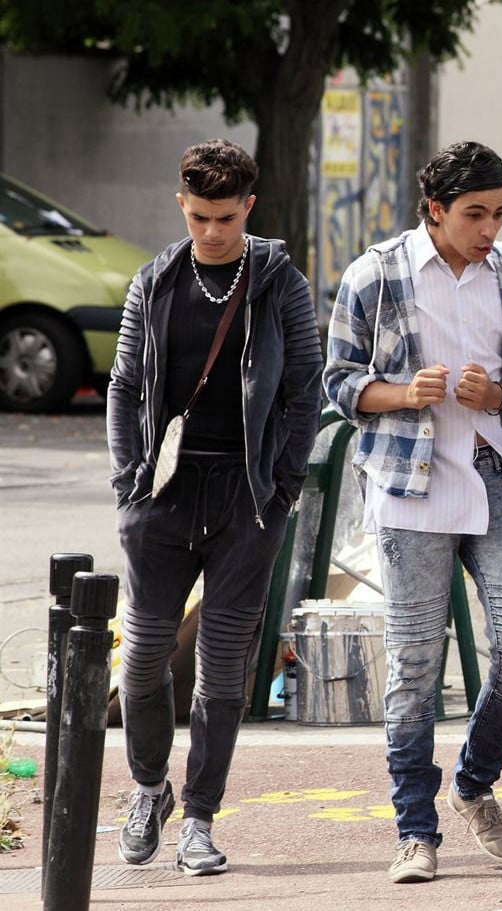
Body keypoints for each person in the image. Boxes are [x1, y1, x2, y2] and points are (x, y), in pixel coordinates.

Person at [324, 141, 502, 883]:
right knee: (414, 666)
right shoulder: (376, 274)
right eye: (474, 214)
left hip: (500, 477)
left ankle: (473, 781)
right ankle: (414, 831)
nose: (489, 228)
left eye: (498, 213)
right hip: (409, 482)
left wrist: (498, 394)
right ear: (434, 210)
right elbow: (337, 382)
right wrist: (405, 393)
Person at [108, 139, 323, 876]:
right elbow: (123, 386)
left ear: (249, 208)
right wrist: (128, 482)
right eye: (199, 217)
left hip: (246, 497)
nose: (212, 232)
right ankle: (148, 788)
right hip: (163, 494)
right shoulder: (156, 280)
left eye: (225, 218)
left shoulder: (279, 282)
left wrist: (283, 486)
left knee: (223, 668)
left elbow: (305, 389)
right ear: (182, 206)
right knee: (140, 657)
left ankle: (199, 814)